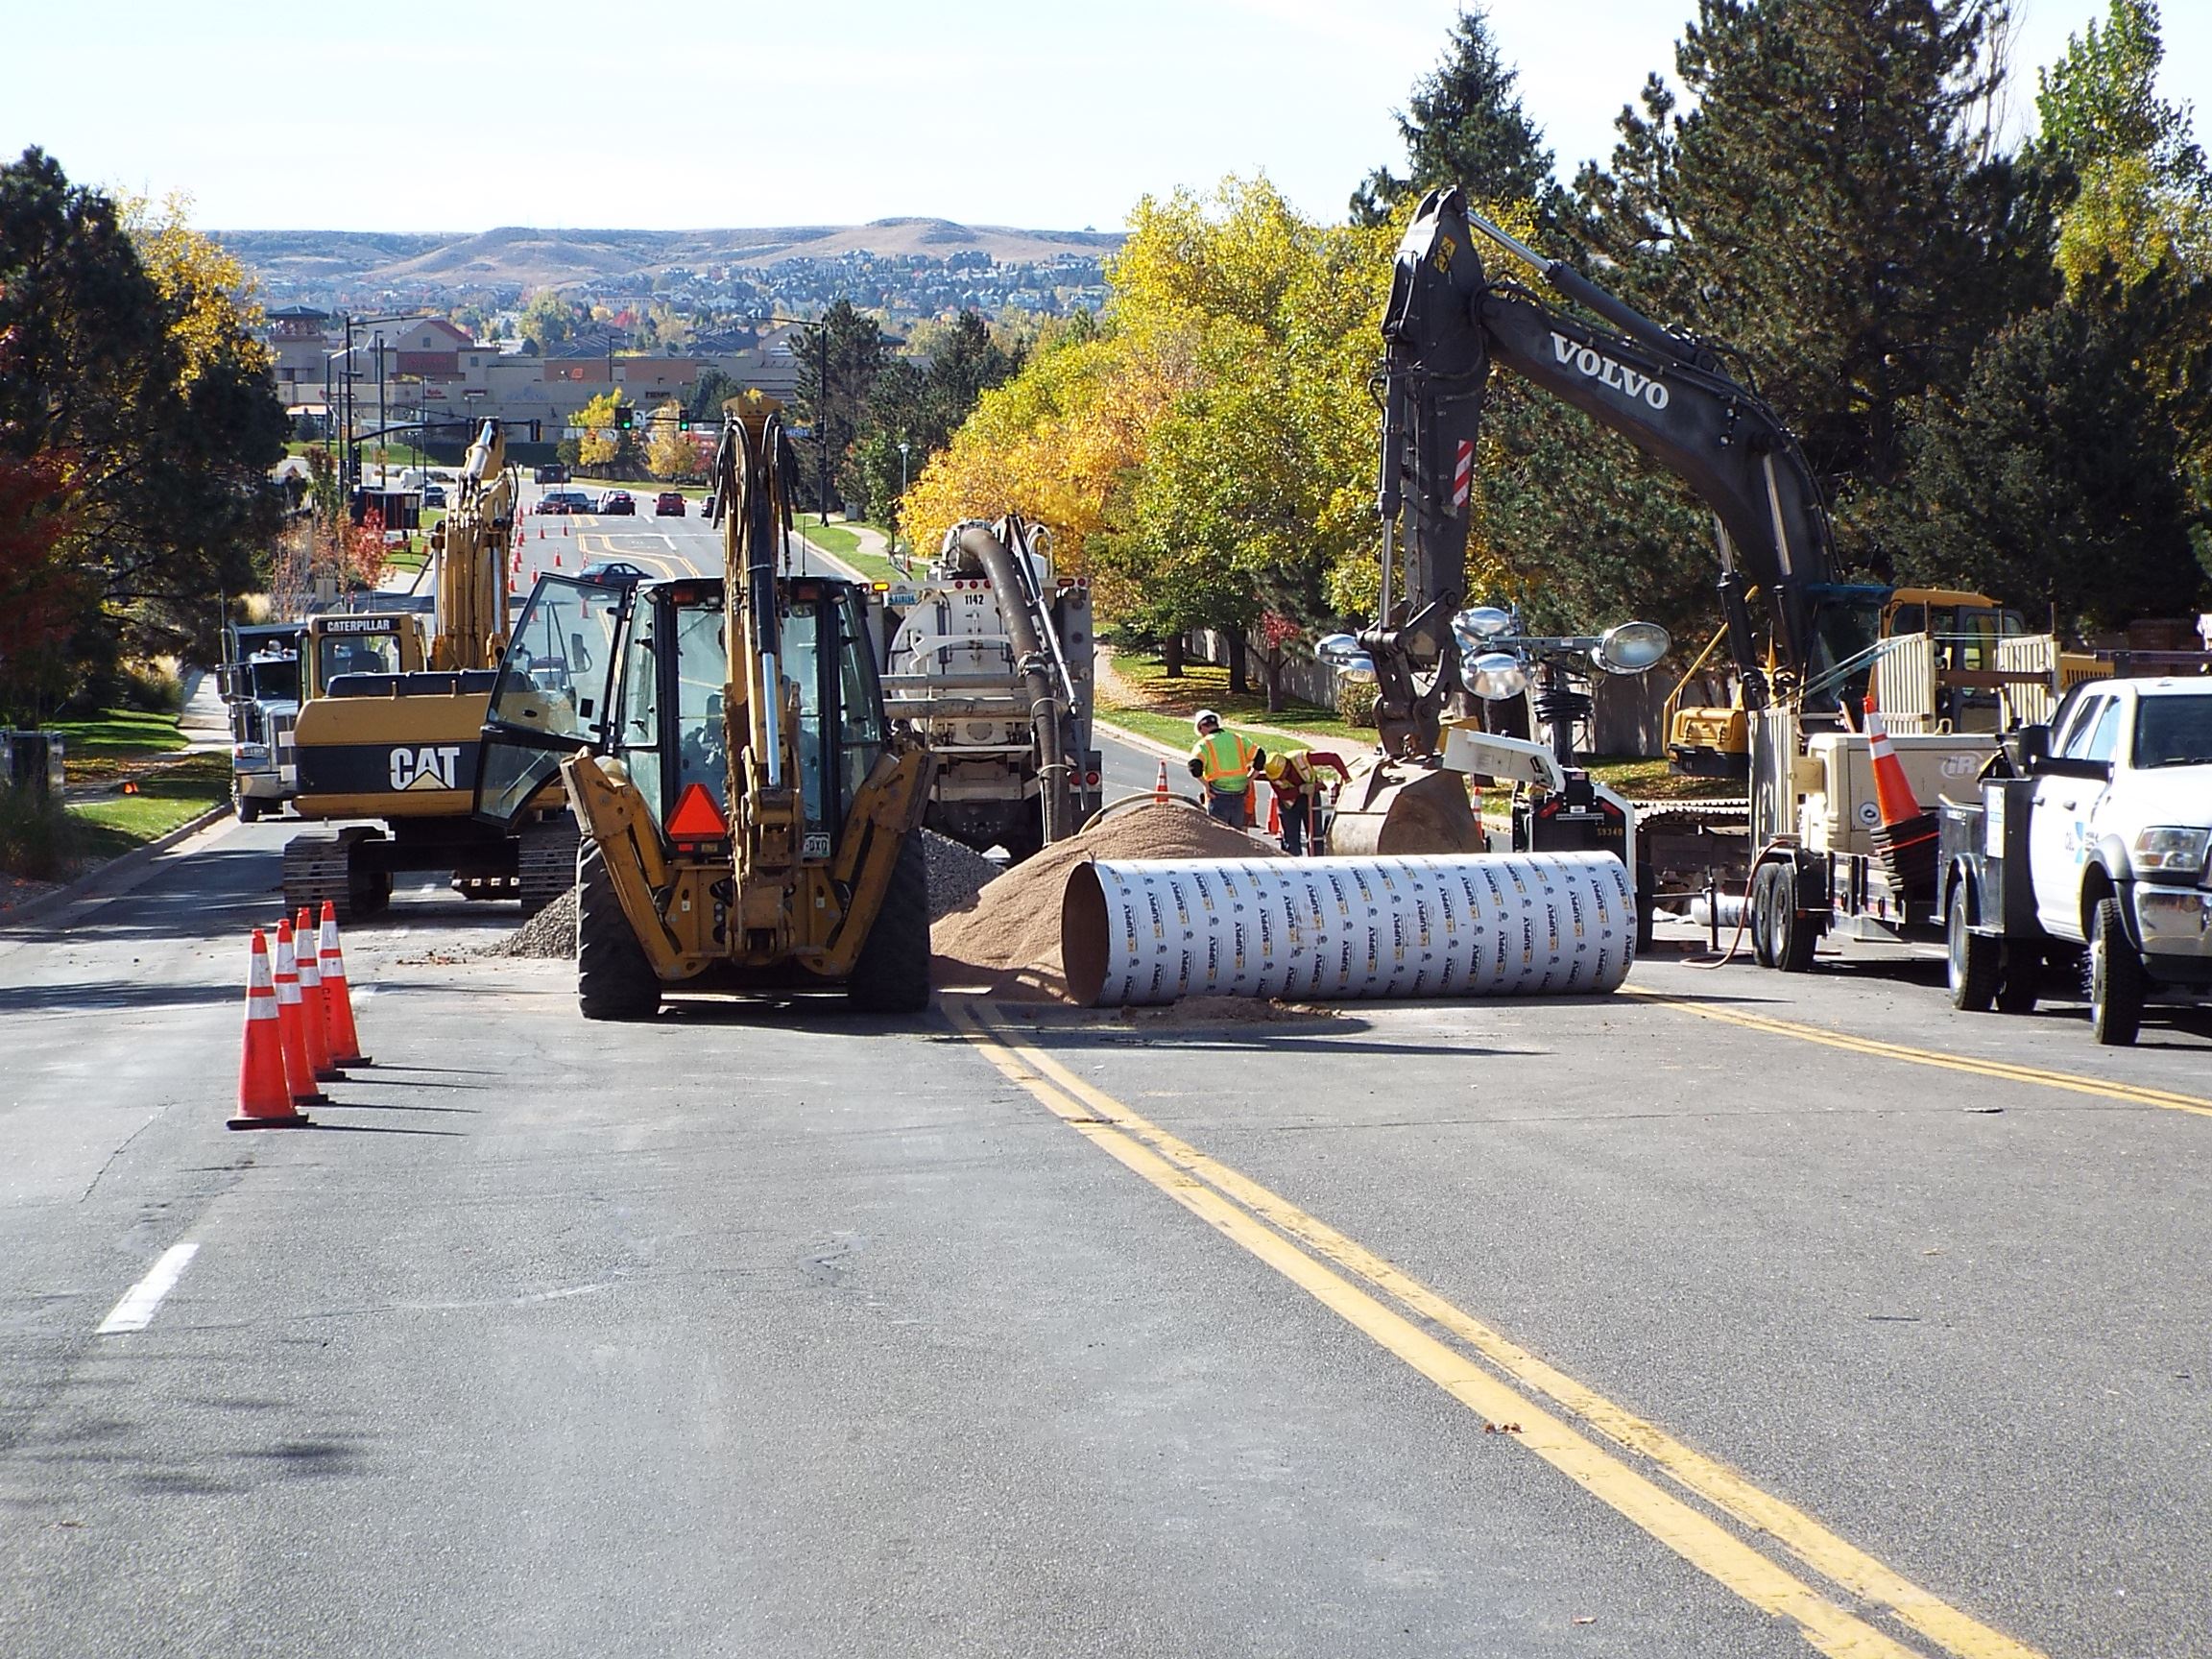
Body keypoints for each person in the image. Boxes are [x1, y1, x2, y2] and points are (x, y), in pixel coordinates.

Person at [1186, 708, 1264, 829]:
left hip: (1218, 797)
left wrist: (1206, 786)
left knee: (1219, 837)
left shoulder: (1204, 744)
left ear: (1202, 728)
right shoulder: (1238, 739)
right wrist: (1250, 778)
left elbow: (1194, 767)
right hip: (1239, 795)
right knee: (1236, 836)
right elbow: (1260, 756)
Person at [1262, 747, 1351, 854]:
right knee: (1290, 839)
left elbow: (1332, 758)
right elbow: (1284, 794)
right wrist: (1301, 789)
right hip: (1289, 804)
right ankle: (1292, 864)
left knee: (1315, 836)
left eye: (1281, 776)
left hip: (1311, 796)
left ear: (1286, 767)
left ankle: (1317, 862)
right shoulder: (1273, 775)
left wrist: (1346, 778)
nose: (1279, 779)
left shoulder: (1300, 759)